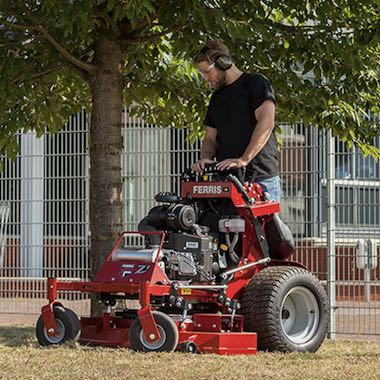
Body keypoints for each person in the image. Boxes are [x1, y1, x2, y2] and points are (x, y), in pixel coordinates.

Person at [191, 40, 281, 201]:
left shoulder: (256, 84)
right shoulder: (216, 98)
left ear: (223, 63)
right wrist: (206, 159)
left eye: (207, 72)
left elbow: (266, 122)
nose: (205, 79)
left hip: (260, 179)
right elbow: (210, 138)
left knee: (262, 227)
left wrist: (244, 159)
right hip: (227, 180)